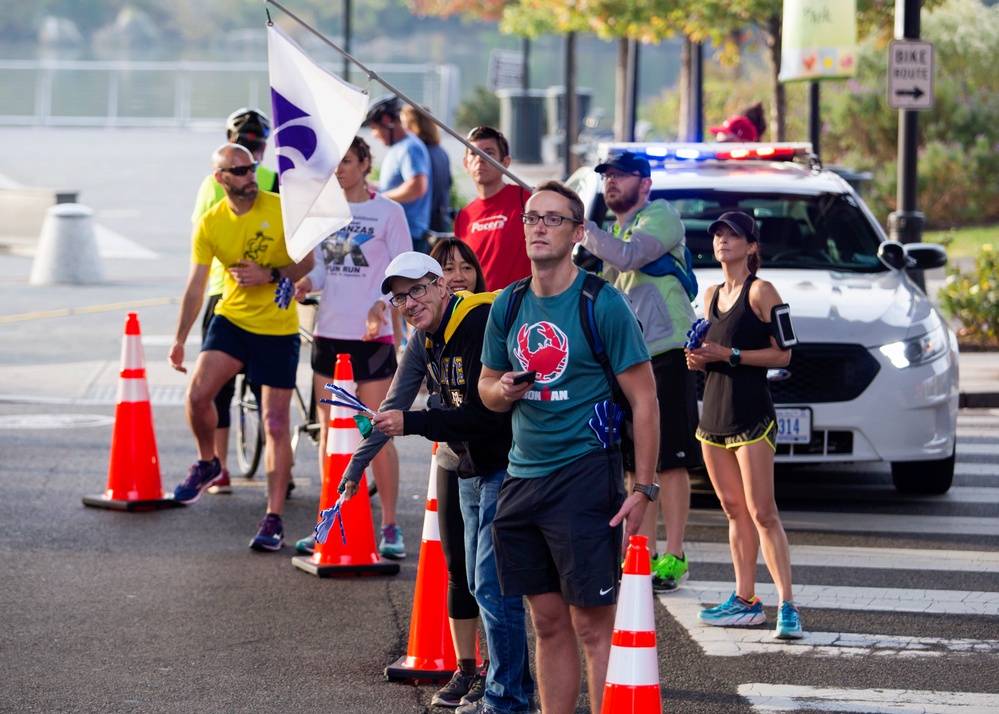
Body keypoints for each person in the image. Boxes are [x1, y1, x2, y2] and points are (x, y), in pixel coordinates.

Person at [478, 181, 659, 714]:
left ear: (579, 233)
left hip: (583, 474)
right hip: (520, 476)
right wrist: (503, 390)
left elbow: (645, 398)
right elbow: (487, 391)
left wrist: (644, 485)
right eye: (532, 218)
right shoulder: (508, 303)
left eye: (553, 219)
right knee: (547, 622)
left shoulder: (601, 303)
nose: (538, 226)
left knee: (590, 624)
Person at [371, 251, 537, 714]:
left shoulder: (475, 322)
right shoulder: (428, 337)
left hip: (504, 465)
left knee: (490, 584)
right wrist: (349, 476)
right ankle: (512, 682)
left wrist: (412, 422)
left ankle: (506, 699)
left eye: (417, 289)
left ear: (442, 285)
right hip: (469, 467)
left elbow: (484, 415)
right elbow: (400, 404)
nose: (409, 302)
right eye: (400, 296)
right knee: (478, 581)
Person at [169, 143, 314, 551]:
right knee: (198, 394)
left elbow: (308, 261)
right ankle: (209, 463)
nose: (250, 176)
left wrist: (269, 273)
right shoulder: (211, 223)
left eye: (252, 168)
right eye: (239, 170)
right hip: (232, 319)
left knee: (275, 424)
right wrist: (180, 339)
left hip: (276, 326)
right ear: (221, 179)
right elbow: (196, 286)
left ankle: (273, 517)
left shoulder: (279, 207)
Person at [580, 150, 701, 593]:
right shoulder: (614, 230)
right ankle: (640, 551)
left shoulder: (661, 216)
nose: (611, 183)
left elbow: (630, 257)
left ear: (644, 183)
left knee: (669, 459)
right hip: (631, 356)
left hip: (667, 350)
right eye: (607, 176)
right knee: (638, 461)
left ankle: (674, 554)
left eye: (620, 175)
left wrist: (584, 231)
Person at [684, 211, 803, 640]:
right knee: (734, 512)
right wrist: (697, 356)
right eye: (717, 235)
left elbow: (785, 354)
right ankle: (746, 600)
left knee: (762, 512)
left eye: (732, 235)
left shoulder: (762, 291)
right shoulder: (711, 292)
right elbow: (706, 350)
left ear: (752, 246)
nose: (722, 241)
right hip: (712, 414)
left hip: (752, 414)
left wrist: (729, 355)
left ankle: (787, 604)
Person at [291, 136, 412, 559]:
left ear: (365, 164)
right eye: (334, 163)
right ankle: (331, 519)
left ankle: (390, 525)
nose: (338, 169)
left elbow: (403, 273)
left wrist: (380, 307)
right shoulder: (327, 209)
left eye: (346, 161)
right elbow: (325, 267)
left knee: (377, 431)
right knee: (331, 432)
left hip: (371, 339)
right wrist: (307, 283)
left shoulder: (387, 212)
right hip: (329, 335)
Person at [189, 107, 279, 495]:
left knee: (216, 389)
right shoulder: (272, 178)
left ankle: (220, 468)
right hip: (245, 292)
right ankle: (277, 471)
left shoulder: (213, 181)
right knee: (269, 393)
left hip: (220, 290)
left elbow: (199, 234)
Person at [454, 126, 532, 291]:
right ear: (466, 164)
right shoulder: (463, 217)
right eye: (474, 153)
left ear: (506, 163)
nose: (480, 159)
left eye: (488, 153)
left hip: (520, 308)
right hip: (480, 311)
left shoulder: (527, 199)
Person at [363, 95, 432, 254]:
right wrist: (367, 188)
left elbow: (417, 187)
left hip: (409, 236)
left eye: (374, 128)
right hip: (399, 233)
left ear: (387, 120)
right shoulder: (397, 148)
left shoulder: (409, 147)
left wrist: (380, 199)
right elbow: (394, 187)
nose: (374, 134)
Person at [401, 104, 453, 235]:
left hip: (423, 225)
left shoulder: (417, 151)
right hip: (441, 220)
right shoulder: (442, 152)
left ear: (413, 124)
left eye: (403, 122)